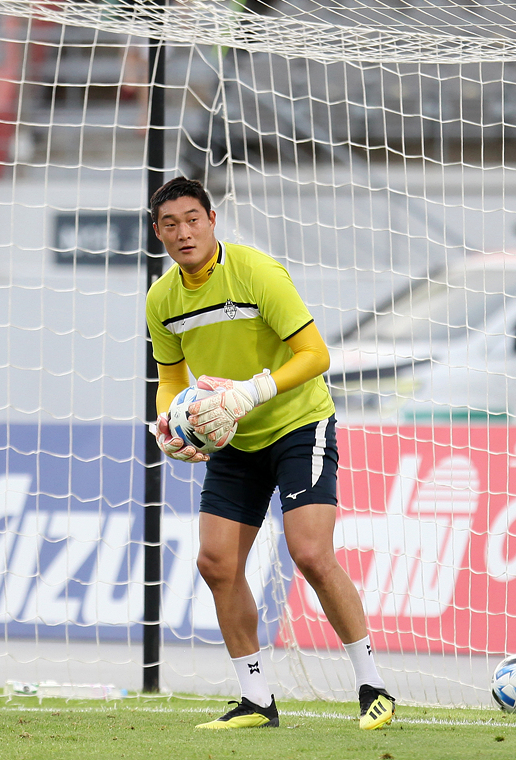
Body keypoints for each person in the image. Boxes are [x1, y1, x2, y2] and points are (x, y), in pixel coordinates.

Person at [145, 177, 395, 730]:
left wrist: (251, 391)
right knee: (215, 563)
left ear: (212, 220)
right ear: (157, 232)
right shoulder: (161, 299)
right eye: (171, 224)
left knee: (310, 553)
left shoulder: (257, 272)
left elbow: (316, 354)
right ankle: (257, 700)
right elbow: (171, 380)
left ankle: (373, 686)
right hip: (233, 437)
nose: (184, 232)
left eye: (193, 219)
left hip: (298, 424)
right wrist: (168, 423)